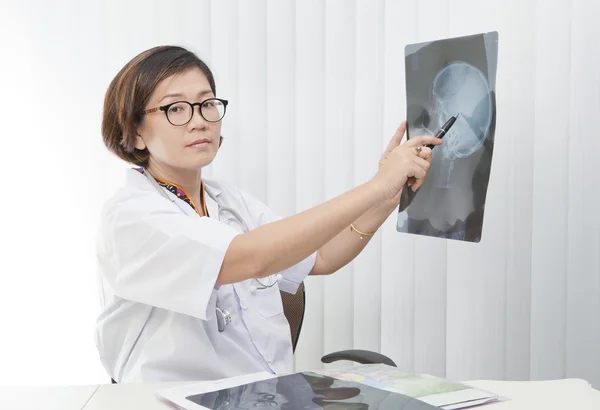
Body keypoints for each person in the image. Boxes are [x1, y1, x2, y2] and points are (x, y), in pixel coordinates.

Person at [95, 45, 442, 383]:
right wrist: (375, 187)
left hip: (268, 395)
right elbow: (254, 257)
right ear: (135, 131)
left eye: (207, 104)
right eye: (176, 109)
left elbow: (321, 256)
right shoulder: (131, 217)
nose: (199, 121)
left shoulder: (227, 200)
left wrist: (387, 196)